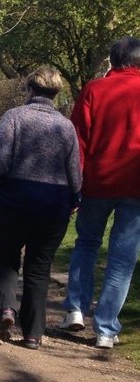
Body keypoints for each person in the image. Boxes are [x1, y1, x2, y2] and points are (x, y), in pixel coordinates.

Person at [0, 66, 81, 350]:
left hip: (16, 199)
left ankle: (6, 308)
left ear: (30, 90)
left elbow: (0, 162)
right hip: (53, 206)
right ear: (55, 94)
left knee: (6, 256)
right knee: (39, 269)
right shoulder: (66, 126)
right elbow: (74, 172)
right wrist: (74, 198)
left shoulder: (14, 117)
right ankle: (33, 335)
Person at [61, 36, 140, 349]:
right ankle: (106, 330)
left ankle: (75, 309)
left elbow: (78, 140)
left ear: (113, 60)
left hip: (97, 183)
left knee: (87, 243)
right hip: (135, 186)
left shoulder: (94, 89)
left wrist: (74, 184)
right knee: (122, 259)